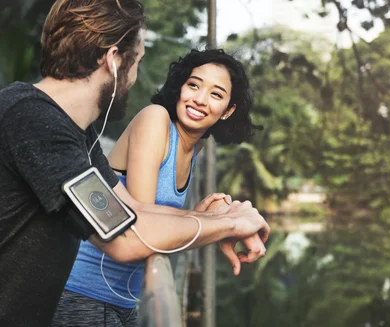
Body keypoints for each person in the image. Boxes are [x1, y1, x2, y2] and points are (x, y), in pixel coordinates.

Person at [0, 1, 269, 326]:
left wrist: (210, 217)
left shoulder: (74, 132)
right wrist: (231, 224)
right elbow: (123, 237)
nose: (136, 75)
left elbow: (126, 210)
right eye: (137, 61)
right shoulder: (36, 122)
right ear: (114, 61)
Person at [53, 48, 263, 326]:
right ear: (179, 88)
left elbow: (162, 238)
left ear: (228, 110)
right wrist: (224, 223)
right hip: (82, 294)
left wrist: (214, 219)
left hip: (124, 300)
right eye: (193, 85)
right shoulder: (155, 120)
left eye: (216, 94)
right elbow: (142, 224)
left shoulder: (193, 149)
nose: (199, 99)